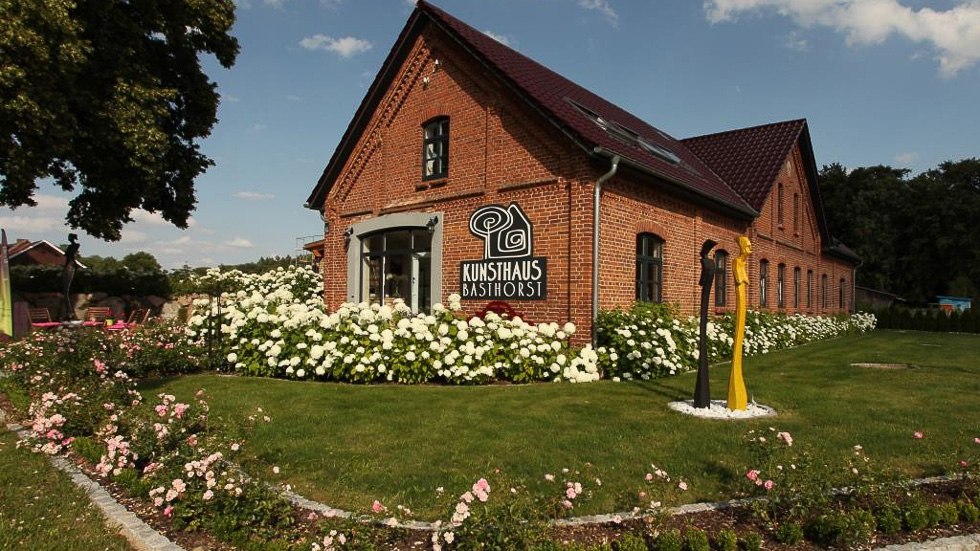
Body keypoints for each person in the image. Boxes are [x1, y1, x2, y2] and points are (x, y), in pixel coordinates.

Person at [728, 236, 752, 410]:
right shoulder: (736, 262)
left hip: (744, 302)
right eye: (748, 245)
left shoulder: (743, 264)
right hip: (740, 299)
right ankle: (734, 397)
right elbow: (740, 281)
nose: (750, 248)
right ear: (742, 247)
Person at [62, 233, 80, 320]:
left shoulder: (75, 246)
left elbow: (70, 256)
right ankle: (69, 311)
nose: (69, 239)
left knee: (66, 290)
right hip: (68, 265)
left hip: (70, 265)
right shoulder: (70, 246)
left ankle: (70, 312)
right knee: (65, 290)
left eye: (69, 237)